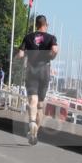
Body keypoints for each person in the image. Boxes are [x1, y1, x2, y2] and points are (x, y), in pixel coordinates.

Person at [16, 15, 58, 145]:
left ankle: (32, 122)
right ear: (46, 24)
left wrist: (18, 57)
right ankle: (35, 132)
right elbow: (55, 50)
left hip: (32, 70)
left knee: (32, 100)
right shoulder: (51, 38)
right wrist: (51, 56)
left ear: (36, 25)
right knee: (40, 104)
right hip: (45, 70)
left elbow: (21, 54)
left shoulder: (28, 37)